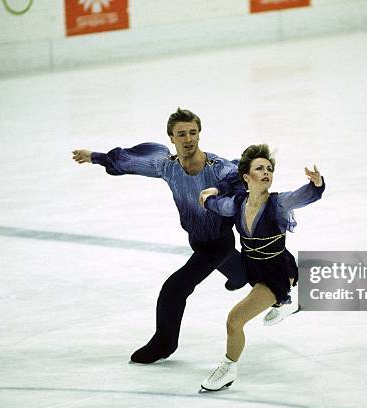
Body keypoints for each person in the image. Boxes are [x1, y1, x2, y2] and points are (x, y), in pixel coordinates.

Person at [71, 108, 248, 364]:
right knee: (237, 268)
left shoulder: (218, 167)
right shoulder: (167, 166)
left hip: (218, 241)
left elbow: (238, 181)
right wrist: (95, 157)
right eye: (181, 134)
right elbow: (129, 162)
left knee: (173, 290)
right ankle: (240, 274)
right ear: (171, 138)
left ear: (199, 134)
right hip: (197, 240)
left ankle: (164, 344)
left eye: (193, 132)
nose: (188, 139)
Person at [198, 144, 325, 391]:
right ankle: (285, 303)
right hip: (252, 268)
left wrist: (317, 185)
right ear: (247, 176)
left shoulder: (279, 203)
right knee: (214, 251)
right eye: (259, 168)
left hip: (276, 273)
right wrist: (208, 198)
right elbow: (215, 204)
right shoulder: (237, 203)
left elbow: (306, 195)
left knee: (234, 320)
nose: (266, 172)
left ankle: (228, 368)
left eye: (269, 169)